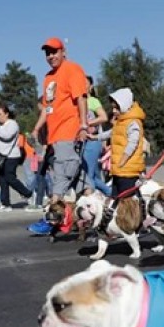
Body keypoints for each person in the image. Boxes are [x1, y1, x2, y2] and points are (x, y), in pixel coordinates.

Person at [31, 37, 89, 205]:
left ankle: (53, 214)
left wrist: (83, 125)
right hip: (54, 136)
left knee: (62, 173)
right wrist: (36, 129)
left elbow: (81, 99)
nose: (51, 56)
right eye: (48, 53)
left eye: (54, 52)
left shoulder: (72, 69)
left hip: (69, 131)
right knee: (81, 179)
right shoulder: (48, 78)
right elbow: (47, 108)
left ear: (63, 52)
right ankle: (96, 213)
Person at [89, 88, 146, 197]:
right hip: (119, 170)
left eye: (117, 108)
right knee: (117, 197)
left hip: (128, 171)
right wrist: (95, 137)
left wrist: (123, 159)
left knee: (127, 199)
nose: (114, 111)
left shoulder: (133, 122)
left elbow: (133, 143)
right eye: (113, 108)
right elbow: (110, 133)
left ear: (125, 105)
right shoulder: (120, 122)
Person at [0, 105, 34, 212]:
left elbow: (6, 135)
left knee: (10, 178)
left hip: (11, 156)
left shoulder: (12, 124)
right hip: (1, 157)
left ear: (7, 114)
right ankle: (5, 203)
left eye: (0, 114)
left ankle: (28, 194)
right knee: (2, 180)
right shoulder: (0, 126)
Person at [81, 76, 111, 195]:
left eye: (85, 83)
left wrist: (86, 123)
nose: (82, 85)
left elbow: (104, 117)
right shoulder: (77, 102)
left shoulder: (92, 101)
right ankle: (112, 194)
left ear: (90, 87)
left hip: (92, 141)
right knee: (91, 175)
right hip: (81, 141)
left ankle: (90, 201)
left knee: (87, 175)